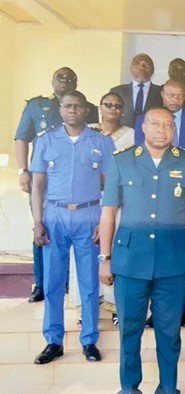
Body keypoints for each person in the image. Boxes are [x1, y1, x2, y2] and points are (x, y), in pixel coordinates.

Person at [99, 107, 185, 394]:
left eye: (168, 125)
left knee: (169, 335)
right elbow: (108, 213)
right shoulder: (121, 160)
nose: (162, 129)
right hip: (130, 260)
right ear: (143, 127)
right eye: (156, 124)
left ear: (174, 130)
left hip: (174, 261)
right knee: (129, 331)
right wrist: (104, 257)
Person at [29, 90, 115, 365]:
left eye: (78, 106)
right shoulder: (45, 141)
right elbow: (37, 185)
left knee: (89, 282)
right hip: (54, 216)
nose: (73, 111)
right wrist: (37, 222)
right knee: (54, 282)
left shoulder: (101, 142)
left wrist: (104, 222)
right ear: (61, 109)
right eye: (68, 106)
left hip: (88, 216)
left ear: (86, 110)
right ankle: (53, 341)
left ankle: (89, 340)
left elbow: (109, 187)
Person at [14, 66, 98, 304]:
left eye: (70, 77)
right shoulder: (36, 106)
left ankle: (70, 282)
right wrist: (23, 171)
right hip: (43, 181)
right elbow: (22, 137)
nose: (65, 81)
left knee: (79, 237)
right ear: (52, 81)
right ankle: (41, 284)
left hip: (77, 184)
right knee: (42, 231)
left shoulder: (87, 108)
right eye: (60, 77)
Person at [135, 79, 185, 327]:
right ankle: (157, 310)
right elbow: (139, 160)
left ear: (184, 97)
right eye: (170, 95)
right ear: (162, 95)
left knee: (184, 253)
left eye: (179, 95)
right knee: (157, 255)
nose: (175, 99)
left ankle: (183, 308)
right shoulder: (143, 121)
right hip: (154, 198)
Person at [88, 92, 136, 325]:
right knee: (88, 252)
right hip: (87, 199)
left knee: (113, 250)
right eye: (108, 105)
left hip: (117, 199)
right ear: (100, 107)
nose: (113, 109)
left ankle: (115, 305)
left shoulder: (131, 135)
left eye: (118, 106)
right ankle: (87, 308)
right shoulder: (87, 131)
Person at [110, 53, 163, 127]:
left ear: (153, 70)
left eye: (146, 64)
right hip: (122, 135)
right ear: (130, 69)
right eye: (137, 64)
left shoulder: (161, 92)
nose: (141, 67)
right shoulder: (117, 92)